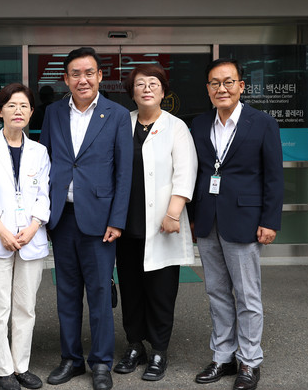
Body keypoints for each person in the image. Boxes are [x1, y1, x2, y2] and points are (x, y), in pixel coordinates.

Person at [40, 47, 133, 390]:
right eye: (76, 74)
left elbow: (124, 172)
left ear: (99, 76)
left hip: (100, 220)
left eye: (89, 73)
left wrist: (117, 220)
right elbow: (44, 164)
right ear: (66, 79)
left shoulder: (117, 114)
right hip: (62, 218)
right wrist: (43, 215)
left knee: (99, 294)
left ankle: (101, 363)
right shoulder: (52, 112)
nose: (83, 79)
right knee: (66, 293)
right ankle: (71, 359)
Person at [190, 58, 283, 390]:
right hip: (207, 220)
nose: (222, 89)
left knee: (247, 295)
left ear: (241, 86)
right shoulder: (199, 124)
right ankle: (223, 356)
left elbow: (274, 176)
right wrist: (192, 217)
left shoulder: (262, 123)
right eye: (215, 83)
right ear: (208, 89)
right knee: (216, 292)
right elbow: (196, 174)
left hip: (245, 220)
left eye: (228, 82)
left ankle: (249, 361)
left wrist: (270, 221)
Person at [113, 64, 198, 382]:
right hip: (127, 224)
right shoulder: (122, 123)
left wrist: (173, 213)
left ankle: (159, 350)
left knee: (161, 292)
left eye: (153, 83)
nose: (146, 88)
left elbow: (185, 172)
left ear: (163, 91)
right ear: (131, 92)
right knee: (131, 289)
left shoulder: (176, 127)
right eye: (140, 84)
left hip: (163, 223)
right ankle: (135, 345)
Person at [0, 83, 51, 390]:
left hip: (31, 237)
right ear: (0, 111)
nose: (18, 111)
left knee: (25, 307)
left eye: (24, 106)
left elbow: (45, 194)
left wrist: (33, 227)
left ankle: (21, 367)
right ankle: (2, 369)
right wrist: (2, 230)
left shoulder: (40, 152)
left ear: (31, 113)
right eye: (12, 105)